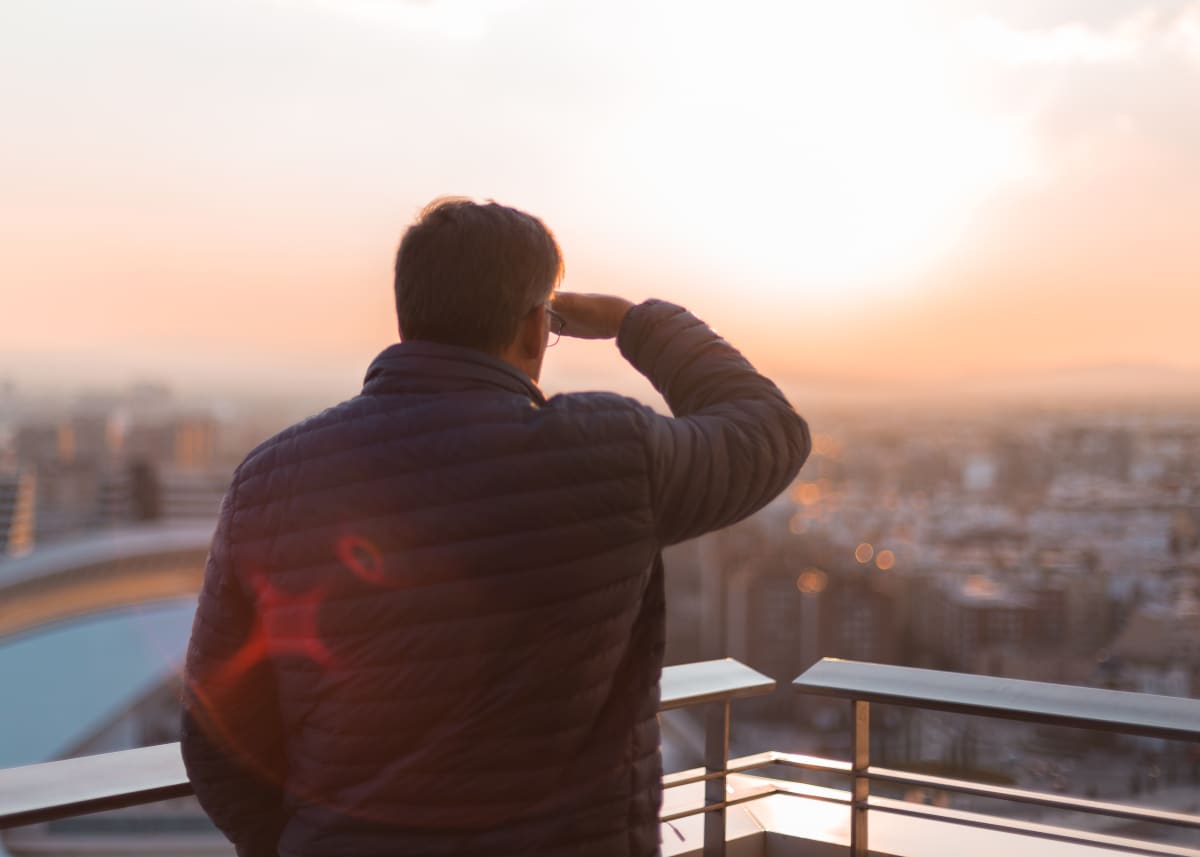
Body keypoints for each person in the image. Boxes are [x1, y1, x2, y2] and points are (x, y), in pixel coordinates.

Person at [181, 197, 811, 857]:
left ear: (408, 316)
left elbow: (219, 736)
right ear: (538, 330)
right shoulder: (606, 454)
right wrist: (635, 322)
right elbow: (768, 430)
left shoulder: (270, 480)